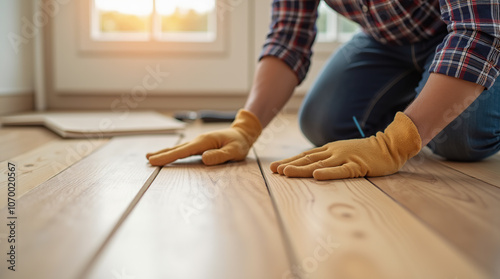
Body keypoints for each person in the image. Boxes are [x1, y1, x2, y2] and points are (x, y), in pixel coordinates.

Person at [147, 0, 500, 180]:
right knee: (324, 124)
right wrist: (246, 125)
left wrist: (397, 144)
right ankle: (432, 95)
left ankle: (446, 99)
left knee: (460, 137)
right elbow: (289, 37)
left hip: (473, 32)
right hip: (388, 40)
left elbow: (479, 30)